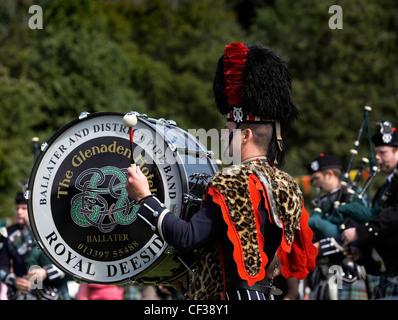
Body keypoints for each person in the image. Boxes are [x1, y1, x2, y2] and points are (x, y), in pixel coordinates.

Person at [126, 43, 317, 300]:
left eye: (229, 130)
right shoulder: (286, 184)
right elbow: (229, 247)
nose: (224, 134)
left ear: (245, 134)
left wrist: (144, 198)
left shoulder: (232, 182)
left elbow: (187, 237)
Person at [341, 122, 398, 299]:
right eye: (377, 152)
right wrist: (363, 252)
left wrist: (359, 232)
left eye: (383, 153)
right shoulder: (385, 187)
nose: (378, 158)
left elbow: (394, 216)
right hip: (386, 275)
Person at [306, 154, 368, 300]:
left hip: (347, 274)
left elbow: (357, 235)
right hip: (322, 276)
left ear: (329, 174)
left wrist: (321, 247)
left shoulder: (353, 196)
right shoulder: (322, 202)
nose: (314, 183)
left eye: (317, 178)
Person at [0, 192, 70, 300]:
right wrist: (14, 281)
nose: (19, 212)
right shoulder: (7, 234)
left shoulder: (50, 229)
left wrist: (46, 273)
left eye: (24, 208)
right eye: (17, 208)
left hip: (53, 292)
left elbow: (68, 262)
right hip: (23, 293)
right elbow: (2, 266)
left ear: (32, 209)